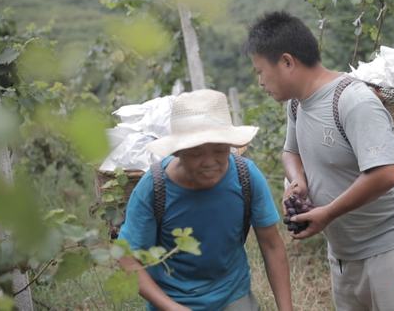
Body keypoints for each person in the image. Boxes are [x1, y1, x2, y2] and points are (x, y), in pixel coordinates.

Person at [245, 11, 394, 311]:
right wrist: (298, 181)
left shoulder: (353, 102)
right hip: (345, 249)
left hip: (390, 244)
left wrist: (328, 213)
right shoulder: (297, 104)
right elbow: (290, 152)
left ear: (286, 62)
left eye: (259, 71)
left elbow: (386, 174)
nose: (259, 82)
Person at [118, 89, 293, 311]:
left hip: (233, 296)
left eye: (219, 150)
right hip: (171, 300)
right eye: (196, 153)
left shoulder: (246, 176)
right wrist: (172, 308)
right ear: (178, 151)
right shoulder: (154, 189)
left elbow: (271, 245)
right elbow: (127, 259)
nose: (209, 162)